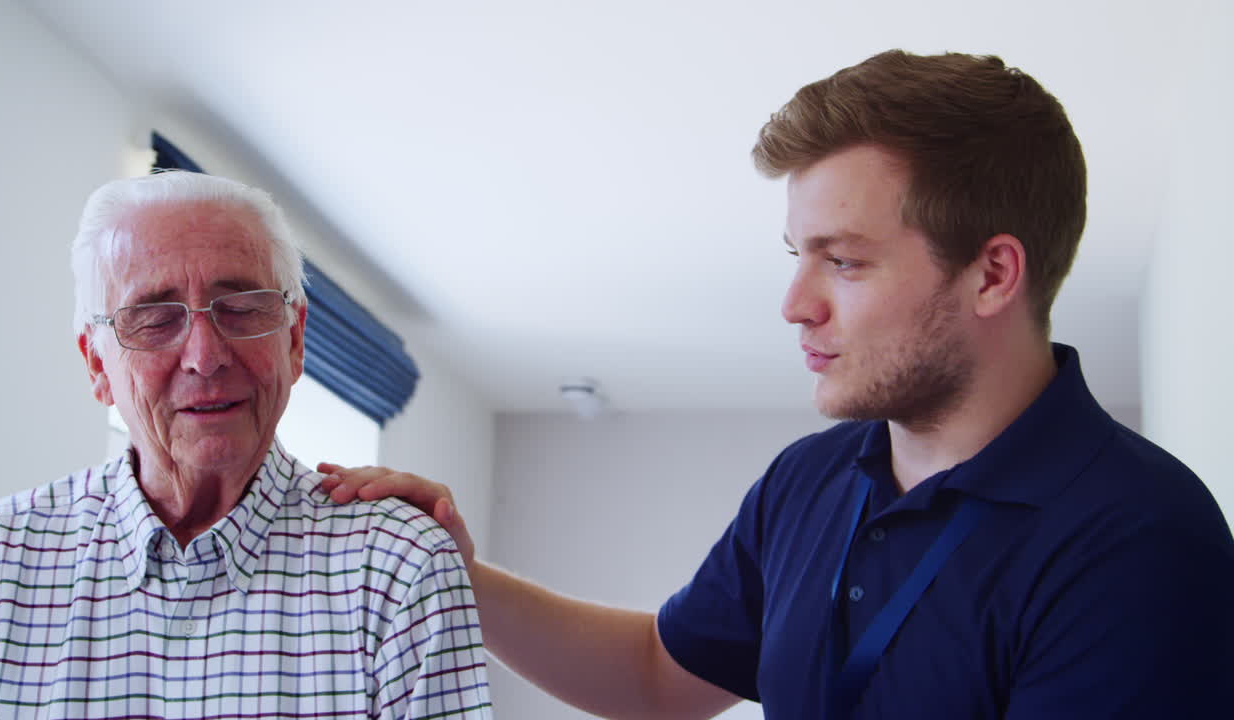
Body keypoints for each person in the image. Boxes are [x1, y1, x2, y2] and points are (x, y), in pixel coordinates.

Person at [319, 49, 1234, 719]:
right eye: (800, 257)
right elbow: (654, 674)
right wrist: (457, 577)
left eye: (844, 261)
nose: (796, 304)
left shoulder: (1140, 542)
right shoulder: (812, 480)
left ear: (993, 275)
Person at [0, 171, 493, 719]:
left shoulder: (399, 567)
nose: (205, 356)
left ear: (295, 338)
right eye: (156, 319)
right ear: (97, 363)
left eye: (241, 309)